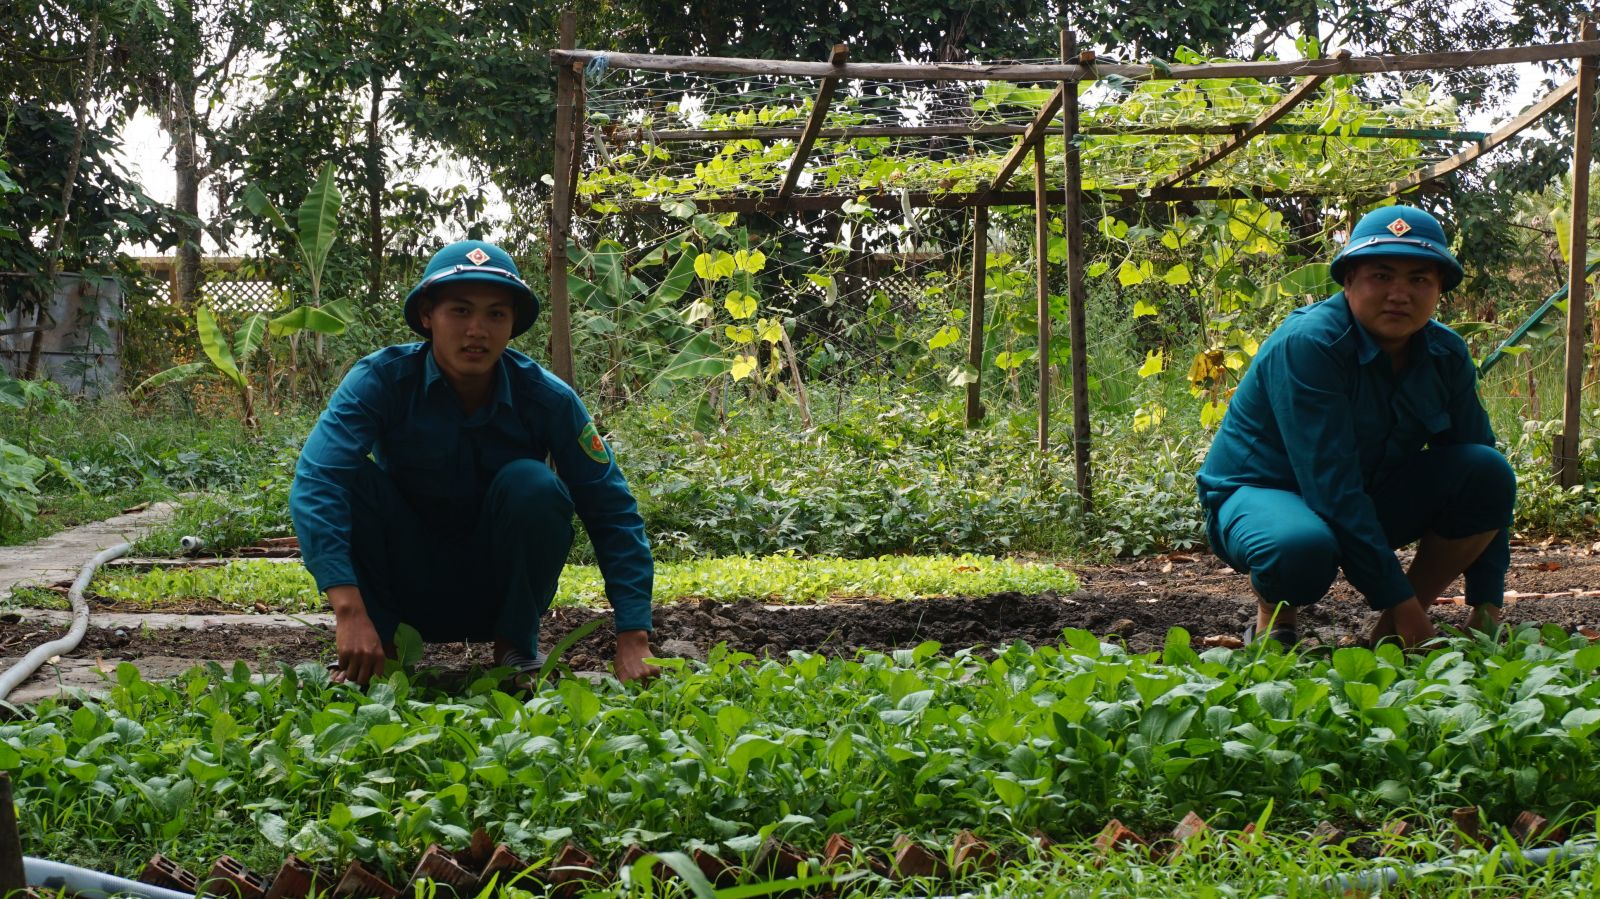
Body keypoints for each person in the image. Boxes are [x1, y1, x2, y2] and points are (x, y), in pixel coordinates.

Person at [289, 239, 659, 686]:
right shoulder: (380, 381)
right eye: (460, 311)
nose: (477, 330)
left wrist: (633, 636)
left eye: (495, 314)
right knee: (347, 480)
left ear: (512, 324)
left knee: (535, 484)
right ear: (428, 316)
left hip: (497, 592)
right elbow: (316, 482)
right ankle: (379, 653)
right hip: (401, 585)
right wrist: (348, 611)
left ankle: (516, 652)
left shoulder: (549, 399)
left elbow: (612, 511)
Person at [1196, 205, 1515, 649]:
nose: (1399, 294)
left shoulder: (1445, 354)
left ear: (1440, 289)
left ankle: (1399, 625)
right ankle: (1275, 619)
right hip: (1261, 494)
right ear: (1348, 281)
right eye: (1381, 276)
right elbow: (1331, 486)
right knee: (1299, 549)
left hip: (1365, 492)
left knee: (1486, 470)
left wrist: (1487, 606)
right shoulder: (1310, 345)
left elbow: (1488, 483)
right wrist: (1398, 599)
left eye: (1419, 279)